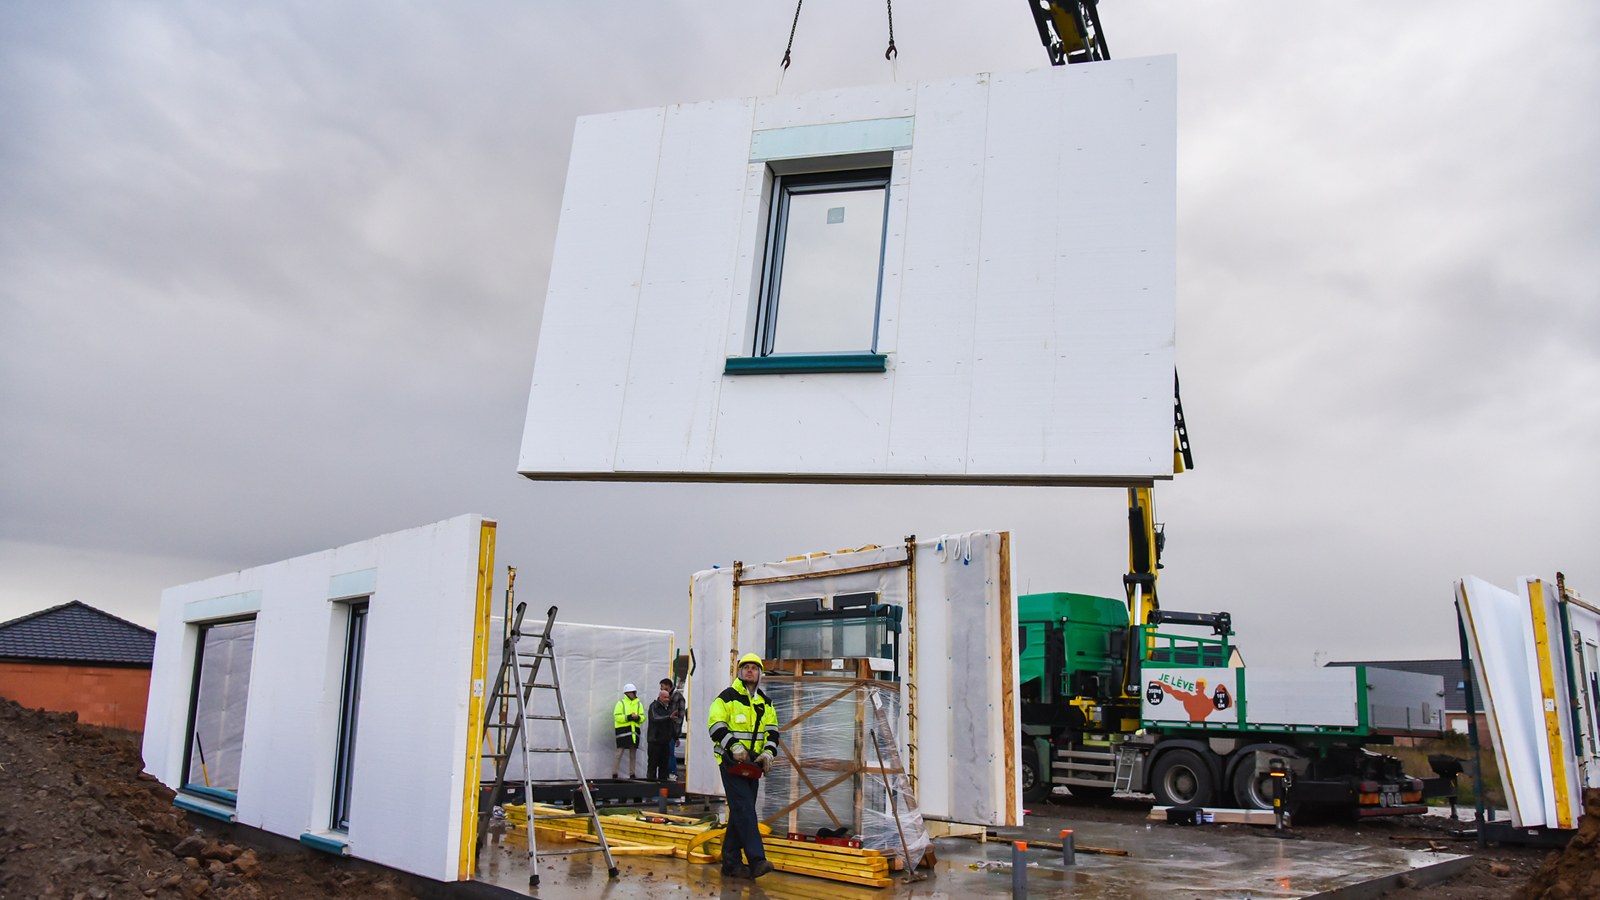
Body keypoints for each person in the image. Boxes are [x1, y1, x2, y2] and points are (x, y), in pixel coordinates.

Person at [707, 652, 779, 879]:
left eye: (754, 668)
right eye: (746, 667)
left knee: (741, 811)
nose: (750, 670)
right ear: (740, 672)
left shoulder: (765, 703)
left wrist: (768, 753)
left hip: (753, 765)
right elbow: (715, 725)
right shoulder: (726, 697)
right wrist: (734, 746)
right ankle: (757, 860)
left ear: (760, 674)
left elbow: (773, 732)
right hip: (730, 762)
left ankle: (731, 863)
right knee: (745, 809)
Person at [646, 685, 677, 781]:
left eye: (668, 697)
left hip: (665, 741)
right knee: (653, 764)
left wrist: (675, 737)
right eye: (665, 697)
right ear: (660, 697)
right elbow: (655, 718)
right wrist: (668, 717)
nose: (667, 699)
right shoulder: (653, 706)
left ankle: (662, 784)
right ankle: (650, 785)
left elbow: (671, 724)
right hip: (655, 741)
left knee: (664, 765)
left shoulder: (668, 709)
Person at [612, 683, 643, 779]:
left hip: (634, 733)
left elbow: (643, 717)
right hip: (623, 732)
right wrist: (629, 717)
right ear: (627, 693)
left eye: (634, 692)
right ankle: (614, 773)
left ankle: (632, 774)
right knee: (619, 753)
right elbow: (617, 717)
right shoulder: (620, 703)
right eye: (632, 692)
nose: (633, 694)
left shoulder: (639, 704)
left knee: (633, 754)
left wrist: (638, 717)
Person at [660, 676, 686, 780]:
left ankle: (672, 773)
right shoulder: (670, 696)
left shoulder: (677, 697)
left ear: (668, 686)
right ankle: (667, 773)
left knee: (670, 752)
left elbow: (679, 717)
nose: (661, 690)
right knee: (666, 752)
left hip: (671, 730)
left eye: (663, 687)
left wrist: (676, 733)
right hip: (667, 729)